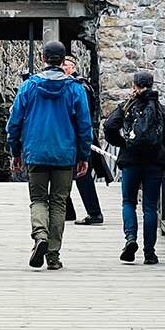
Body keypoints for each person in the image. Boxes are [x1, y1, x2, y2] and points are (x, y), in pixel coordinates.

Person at [6, 40, 93, 271]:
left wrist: (15, 151)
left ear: (43, 58)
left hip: (35, 152)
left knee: (38, 199)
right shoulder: (75, 89)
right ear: (63, 61)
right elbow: (84, 126)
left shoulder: (29, 87)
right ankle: (53, 255)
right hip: (65, 154)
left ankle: (40, 235)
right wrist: (84, 155)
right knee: (58, 202)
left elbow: (14, 122)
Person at [103, 70, 165, 265]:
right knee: (150, 207)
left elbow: (109, 126)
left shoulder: (127, 106)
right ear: (151, 85)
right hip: (154, 163)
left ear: (134, 85)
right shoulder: (159, 108)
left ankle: (130, 238)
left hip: (131, 160)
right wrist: (160, 155)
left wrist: (124, 143)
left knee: (128, 202)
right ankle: (149, 252)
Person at [63, 55, 106, 225]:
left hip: (78, 137)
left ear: (72, 67)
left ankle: (94, 213)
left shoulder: (80, 86)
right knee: (64, 173)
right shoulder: (69, 85)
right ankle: (68, 211)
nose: (62, 68)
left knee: (83, 176)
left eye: (65, 65)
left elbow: (83, 115)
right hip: (71, 137)